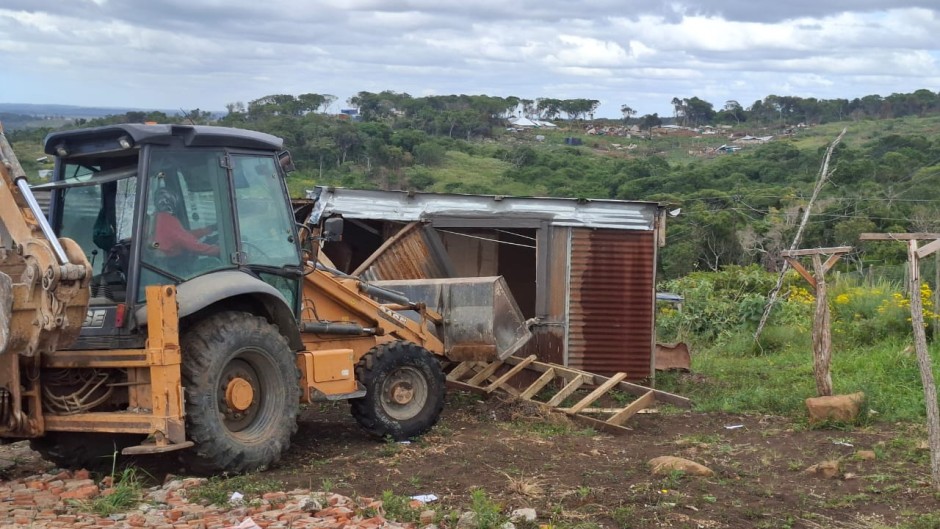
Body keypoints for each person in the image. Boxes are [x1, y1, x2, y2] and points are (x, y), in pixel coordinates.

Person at [151, 188, 219, 257]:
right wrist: (218, 250)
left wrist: (207, 230)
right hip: (168, 262)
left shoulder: (157, 218)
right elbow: (189, 243)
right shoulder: (167, 219)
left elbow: (183, 235)